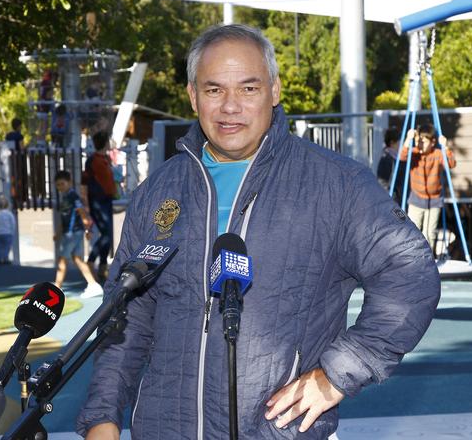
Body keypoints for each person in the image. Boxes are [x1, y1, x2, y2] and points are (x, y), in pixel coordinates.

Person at [77, 24, 440, 439]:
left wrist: (338, 374)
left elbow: (410, 273)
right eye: (214, 90)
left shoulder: (336, 185)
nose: (230, 106)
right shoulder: (159, 192)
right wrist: (102, 417)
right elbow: (127, 317)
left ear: (274, 91)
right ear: (193, 97)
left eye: (248, 89)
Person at [400, 123, 457, 252]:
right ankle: (412, 258)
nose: (419, 145)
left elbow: (451, 164)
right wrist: (408, 140)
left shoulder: (437, 154)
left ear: (432, 142)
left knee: (429, 234)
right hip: (416, 199)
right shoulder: (414, 153)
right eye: (417, 141)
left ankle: (428, 260)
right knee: (412, 231)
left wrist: (446, 147)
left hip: (434, 200)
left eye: (423, 142)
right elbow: (402, 157)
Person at [53, 170, 103, 299]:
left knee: (62, 260)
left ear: (69, 182)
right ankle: (93, 285)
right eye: (57, 185)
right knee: (77, 259)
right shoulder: (66, 197)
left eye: (62, 184)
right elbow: (64, 217)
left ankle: (56, 288)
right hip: (70, 232)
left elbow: (82, 213)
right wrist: (58, 232)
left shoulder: (73, 196)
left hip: (72, 233)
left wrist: (88, 230)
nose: (60, 187)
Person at [82, 131, 118, 282]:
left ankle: (103, 266)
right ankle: (91, 261)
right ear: (105, 142)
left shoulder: (105, 159)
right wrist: (86, 205)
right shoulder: (93, 160)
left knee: (108, 234)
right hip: (97, 201)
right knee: (105, 235)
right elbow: (84, 182)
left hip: (106, 200)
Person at [376, 127, 406, 203]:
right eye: (400, 141)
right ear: (392, 143)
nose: (402, 144)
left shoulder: (397, 156)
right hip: (391, 197)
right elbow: (382, 181)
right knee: (398, 215)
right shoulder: (387, 158)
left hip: (398, 195)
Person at [0, 195, 16, 265]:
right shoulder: (9, 214)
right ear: (7, 205)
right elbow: (13, 223)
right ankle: (5, 258)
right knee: (6, 247)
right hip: (7, 233)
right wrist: (12, 232)